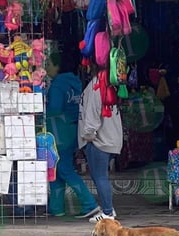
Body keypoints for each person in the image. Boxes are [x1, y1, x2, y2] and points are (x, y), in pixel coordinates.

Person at [45, 51, 100, 218]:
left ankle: (89, 203)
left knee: (63, 168)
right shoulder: (75, 82)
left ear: (57, 66)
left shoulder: (58, 85)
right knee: (57, 168)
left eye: (49, 64)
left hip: (59, 132)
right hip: (73, 131)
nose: (46, 68)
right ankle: (56, 207)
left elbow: (54, 110)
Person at [78, 67, 123, 223]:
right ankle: (107, 208)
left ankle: (108, 213)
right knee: (100, 175)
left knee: (100, 176)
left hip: (99, 140)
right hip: (110, 137)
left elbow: (92, 114)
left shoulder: (97, 85)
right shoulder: (108, 84)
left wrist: (88, 136)